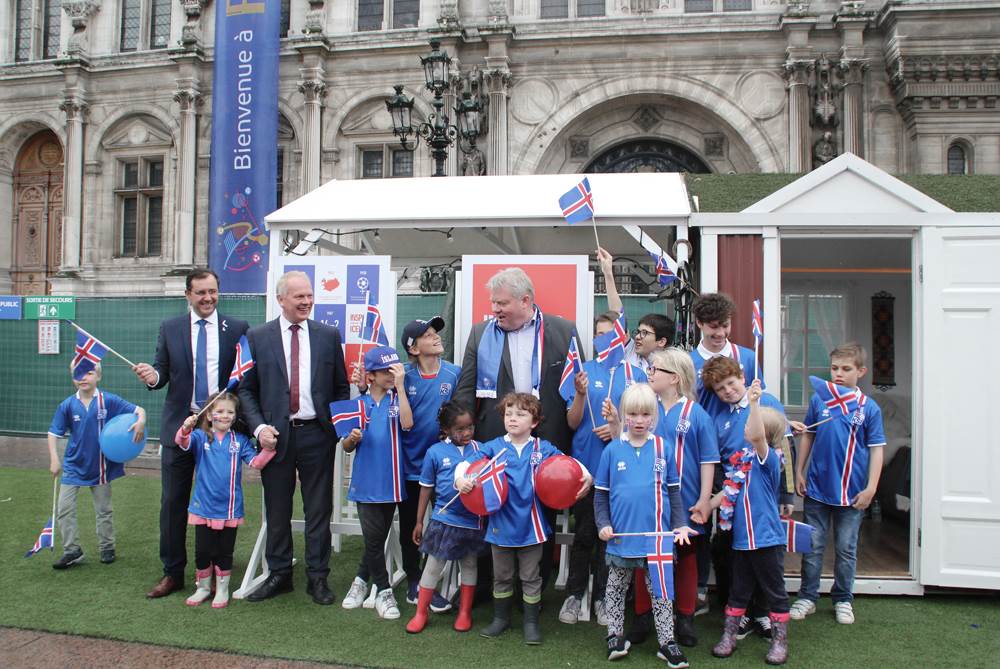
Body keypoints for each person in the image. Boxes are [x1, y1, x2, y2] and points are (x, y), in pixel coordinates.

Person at [453, 266, 580, 594]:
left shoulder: (564, 330)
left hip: (547, 436)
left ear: (525, 301)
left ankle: (534, 591)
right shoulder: (481, 333)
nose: (495, 309)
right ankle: (489, 587)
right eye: (493, 303)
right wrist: (460, 433)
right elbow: (467, 387)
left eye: (501, 303)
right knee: (492, 509)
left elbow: (575, 388)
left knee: (541, 511)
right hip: (498, 436)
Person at [133, 268, 249, 599]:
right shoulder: (170, 328)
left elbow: (245, 378)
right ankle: (173, 572)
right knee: (173, 501)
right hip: (180, 427)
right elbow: (161, 375)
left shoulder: (237, 329)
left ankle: (218, 567)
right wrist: (151, 375)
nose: (208, 298)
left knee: (221, 500)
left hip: (220, 428)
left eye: (212, 291)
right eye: (200, 293)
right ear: (188, 295)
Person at [238, 270, 350, 605]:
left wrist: (335, 429)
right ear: (281, 299)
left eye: (310, 296)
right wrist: (259, 429)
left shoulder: (328, 335)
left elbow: (340, 386)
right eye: (299, 296)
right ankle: (279, 574)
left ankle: (318, 578)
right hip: (276, 438)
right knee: (277, 508)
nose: (306, 302)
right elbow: (245, 389)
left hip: (317, 435)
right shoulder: (257, 337)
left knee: (318, 510)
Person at [456, 392, 591, 645]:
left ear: (535, 421)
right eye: (508, 414)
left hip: (532, 527)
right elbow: (465, 464)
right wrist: (460, 479)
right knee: (502, 576)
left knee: (531, 578)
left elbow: (571, 464)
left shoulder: (543, 448)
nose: (513, 419)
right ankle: (501, 619)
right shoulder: (494, 447)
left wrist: (587, 477)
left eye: (520, 414)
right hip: (501, 526)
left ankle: (531, 623)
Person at [560, 250, 648, 627]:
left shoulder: (633, 372)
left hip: (622, 470)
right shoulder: (583, 370)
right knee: (583, 535)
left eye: (608, 334)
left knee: (608, 537)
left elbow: (644, 422)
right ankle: (573, 596)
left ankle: (601, 599)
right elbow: (571, 421)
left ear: (619, 337)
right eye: (596, 335)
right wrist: (580, 395)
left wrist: (617, 429)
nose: (602, 339)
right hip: (586, 467)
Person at [595, 383, 692, 668]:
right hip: (621, 539)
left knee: (662, 593)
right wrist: (603, 524)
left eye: (645, 414)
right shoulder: (612, 451)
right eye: (633, 414)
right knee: (614, 590)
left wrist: (680, 525)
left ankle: (667, 642)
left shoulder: (664, 448)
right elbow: (600, 495)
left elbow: (674, 494)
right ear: (624, 415)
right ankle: (614, 635)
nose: (639, 420)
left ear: (654, 416)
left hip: (657, 540)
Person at [789, 342, 886, 625]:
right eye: (834, 368)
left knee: (846, 548)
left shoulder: (869, 408)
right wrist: (799, 470)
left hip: (852, 493)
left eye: (846, 369)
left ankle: (843, 598)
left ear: (861, 371)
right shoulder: (820, 399)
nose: (839, 374)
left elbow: (877, 448)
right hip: (817, 490)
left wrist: (871, 488)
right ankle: (807, 596)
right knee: (813, 546)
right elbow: (808, 435)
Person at [699, 380, 791, 665]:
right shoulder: (744, 462)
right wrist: (705, 507)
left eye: (752, 424)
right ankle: (729, 635)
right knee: (738, 589)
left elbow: (760, 438)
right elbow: (727, 492)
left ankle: (779, 640)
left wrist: (753, 403)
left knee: (774, 590)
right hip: (742, 542)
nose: (746, 427)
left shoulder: (769, 460)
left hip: (766, 541)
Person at [175, 393, 274, 608]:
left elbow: (256, 463)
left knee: (224, 551)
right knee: (202, 551)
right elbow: (181, 442)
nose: (225, 416)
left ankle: (222, 589)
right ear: (209, 415)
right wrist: (185, 428)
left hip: (230, 509)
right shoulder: (200, 437)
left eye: (230, 412)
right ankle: (202, 588)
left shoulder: (240, 441)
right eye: (219, 411)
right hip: (203, 508)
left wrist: (269, 449)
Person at [647, 348, 718, 647]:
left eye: (655, 369)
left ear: (674, 378)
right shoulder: (645, 409)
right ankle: (643, 616)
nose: (649, 373)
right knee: (647, 559)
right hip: (650, 502)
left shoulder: (696, 414)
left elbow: (708, 459)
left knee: (687, 560)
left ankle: (685, 618)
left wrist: (705, 499)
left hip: (687, 501)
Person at [47, 363, 146, 569]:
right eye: (78, 374)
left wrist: (141, 422)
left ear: (98, 376)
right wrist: (55, 459)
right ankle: (72, 551)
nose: (83, 378)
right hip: (73, 465)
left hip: (100, 465)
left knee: (103, 509)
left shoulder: (108, 400)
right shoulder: (67, 405)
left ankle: (107, 547)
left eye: (89, 373)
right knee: (64, 509)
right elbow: (53, 433)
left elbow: (139, 410)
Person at [340, 345, 413, 620]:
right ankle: (383, 590)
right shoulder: (358, 402)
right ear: (371, 375)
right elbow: (346, 445)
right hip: (366, 482)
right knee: (373, 539)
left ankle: (359, 581)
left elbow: (408, 424)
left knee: (377, 537)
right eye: (386, 370)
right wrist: (353, 438)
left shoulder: (398, 399)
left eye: (395, 368)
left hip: (393, 482)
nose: (392, 374)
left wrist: (402, 388)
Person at [406, 401, 486, 633]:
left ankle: (464, 613)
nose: (466, 433)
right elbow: (425, 488)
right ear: (446, 430)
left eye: (470, 427)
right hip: (444, 519)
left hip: (473, 521)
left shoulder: (481, 449)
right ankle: (421, 613)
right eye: (460, 429)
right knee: (433, 566)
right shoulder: (435, 452)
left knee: (469, 565)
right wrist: (420, 521)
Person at [398, 318, 461, 609]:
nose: (436, 338)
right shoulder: (403, 377)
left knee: (445, 524)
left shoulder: (454, 373)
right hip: (410, 465)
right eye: (427, 335)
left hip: (445, 468)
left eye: (436, 333)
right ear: (413, 349)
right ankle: (414, 581)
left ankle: (441, 580)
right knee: (413, 524)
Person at [689, 293, 759, 420]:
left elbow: (761, 400)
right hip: (704, 435)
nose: (720, 333)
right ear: (699, 323)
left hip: (741, 434)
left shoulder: (748, 357)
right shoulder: (687, 363)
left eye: (725, 325)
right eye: (714, 327)